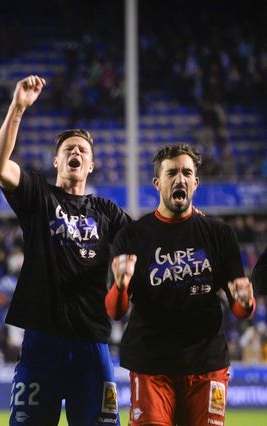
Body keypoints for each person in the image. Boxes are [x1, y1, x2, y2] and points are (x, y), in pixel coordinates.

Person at [0, 75, 131, 426]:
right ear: (56, 161)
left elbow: (146, 238)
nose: (76, 152)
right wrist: (18, 108)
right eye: (69, 149)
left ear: (92, 165)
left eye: (83, 150)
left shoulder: (108, 212)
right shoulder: (39, 196)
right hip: (42, 340)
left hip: (91, 340)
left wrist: (185, 216)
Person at [106, 143, 255, 426]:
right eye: (172, 172)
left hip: (207, 365)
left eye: (187, 172)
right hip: (152, 366)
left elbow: (241, 308)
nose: (180, 179)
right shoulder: (132, 236)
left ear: (196, 182)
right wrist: (121, 286)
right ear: (157, 182)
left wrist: (246, 302)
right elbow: (114, 311)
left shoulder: (220, 235)